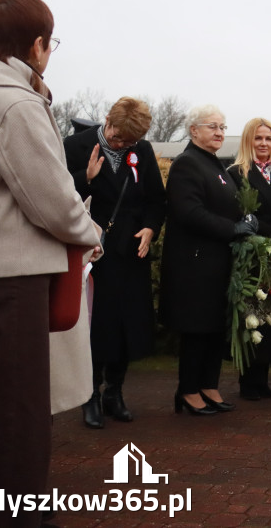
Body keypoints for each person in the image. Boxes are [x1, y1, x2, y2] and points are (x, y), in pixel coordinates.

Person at [0, 0, 102, 527]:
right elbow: (52, 197)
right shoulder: (13, 101)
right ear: (39, 45)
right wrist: (91, 231)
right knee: (17, 413)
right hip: (13, 276)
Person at [65, 97, 167, 428]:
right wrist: (86, 177)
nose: (121, 144)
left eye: (129, 141)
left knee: (126, 326)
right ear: (107, 118)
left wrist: (151, 227)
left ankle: (115, 393)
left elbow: (156, 199)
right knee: (97, 326)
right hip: (94, 254)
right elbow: (56, 196)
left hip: (131, 253)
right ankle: (90, 396)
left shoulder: (143, 152)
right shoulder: (75, 146)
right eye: (117, 136)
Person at [160, 105, 255, 416]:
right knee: (197, 328)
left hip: (217, 261)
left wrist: (246, 218)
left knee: (214, 326)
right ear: (194, 131)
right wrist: (233, 229)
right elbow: (190, 213)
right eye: (212, 126)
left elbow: (226, 205)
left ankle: (208, 385)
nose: (219, 132)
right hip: (194, 263)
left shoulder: (214, 165)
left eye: (223, 127)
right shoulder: (187, 164)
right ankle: (187, 390)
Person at [227, 118, 271, 400]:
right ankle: (248, 381)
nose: (263, 144)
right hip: (251, 256)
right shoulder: (236, 174)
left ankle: (263, 378)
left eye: (268, 139)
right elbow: (241, 214)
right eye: (258, 139)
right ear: (248, 141)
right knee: (252, 314)